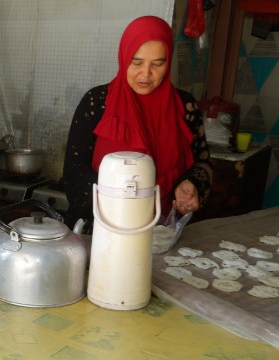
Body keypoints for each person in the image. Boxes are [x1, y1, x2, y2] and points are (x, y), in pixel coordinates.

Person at [62, 15, 212, 230]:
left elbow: (202, 162)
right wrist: (122, 204)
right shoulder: (97, 102)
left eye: (158, 64)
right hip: (101, 230)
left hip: (163, 231)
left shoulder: (185, 106)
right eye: (137, 62)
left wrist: (190, 184)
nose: (146, 74)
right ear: (124, 58)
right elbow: (74, 171)